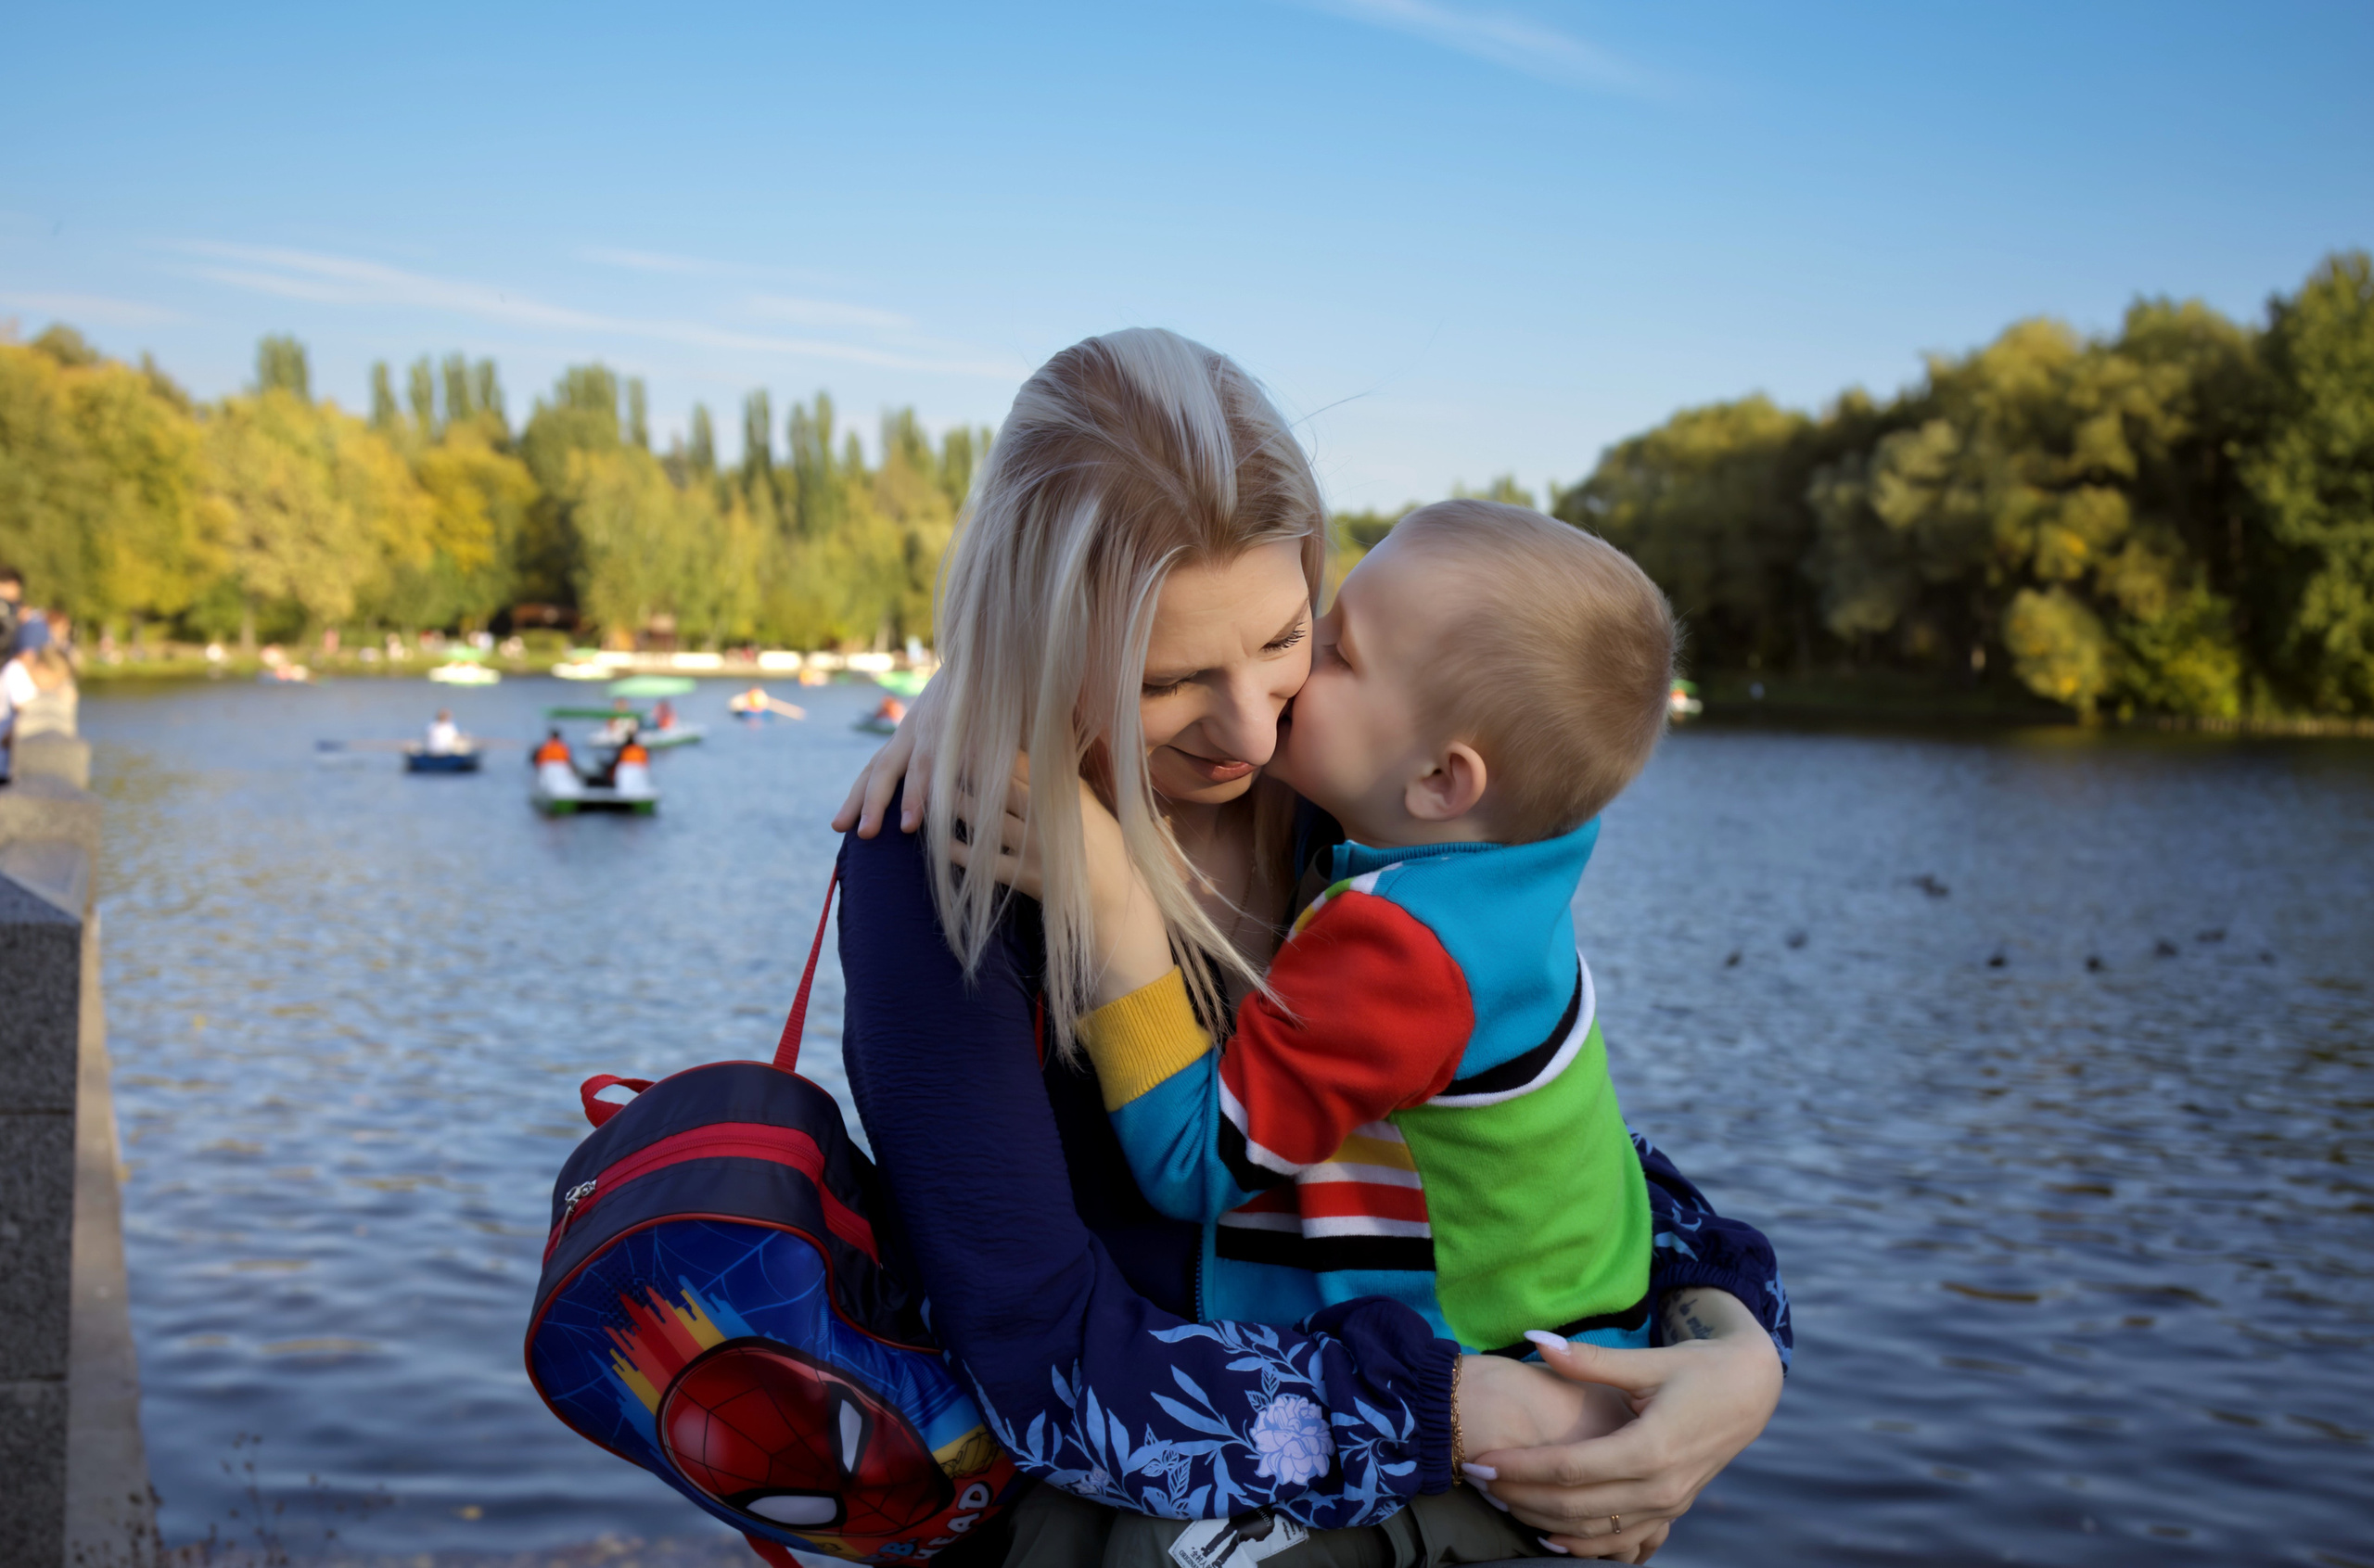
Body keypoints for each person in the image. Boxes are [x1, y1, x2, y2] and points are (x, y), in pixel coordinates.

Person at [830, 329, 1787, 1566]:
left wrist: (1735, 1347)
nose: (1249, 722)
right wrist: (1458, 1407)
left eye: (1291, 636)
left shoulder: (1361, 800)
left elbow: (1530, 1143)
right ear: (1036, 634)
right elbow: (1035, 1359)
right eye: (1169, 677)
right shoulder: (937, 865)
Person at [967, 500, 1676, 1378]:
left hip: (1499, 1368)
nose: (1299, 664)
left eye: (1339, 651)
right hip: (1598, 1319)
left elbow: (1195, 1164)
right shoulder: (1508, 871)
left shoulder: (1407, 948)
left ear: (1440, 778)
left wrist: (1114, 902)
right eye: (1316, 621)